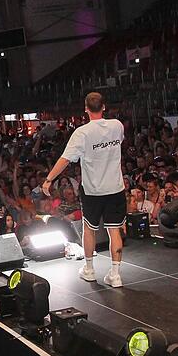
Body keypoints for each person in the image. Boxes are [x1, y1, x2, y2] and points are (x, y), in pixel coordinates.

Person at [41, 92, 126, 288]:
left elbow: (65, 159)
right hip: (115, 188)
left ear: (86, 109)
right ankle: (115, 275)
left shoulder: (82, 133)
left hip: (93, 191)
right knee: (114, 231)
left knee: (89, 229)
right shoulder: (117, 126)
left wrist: (49, 179)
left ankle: (89, 270)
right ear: (104, 107)